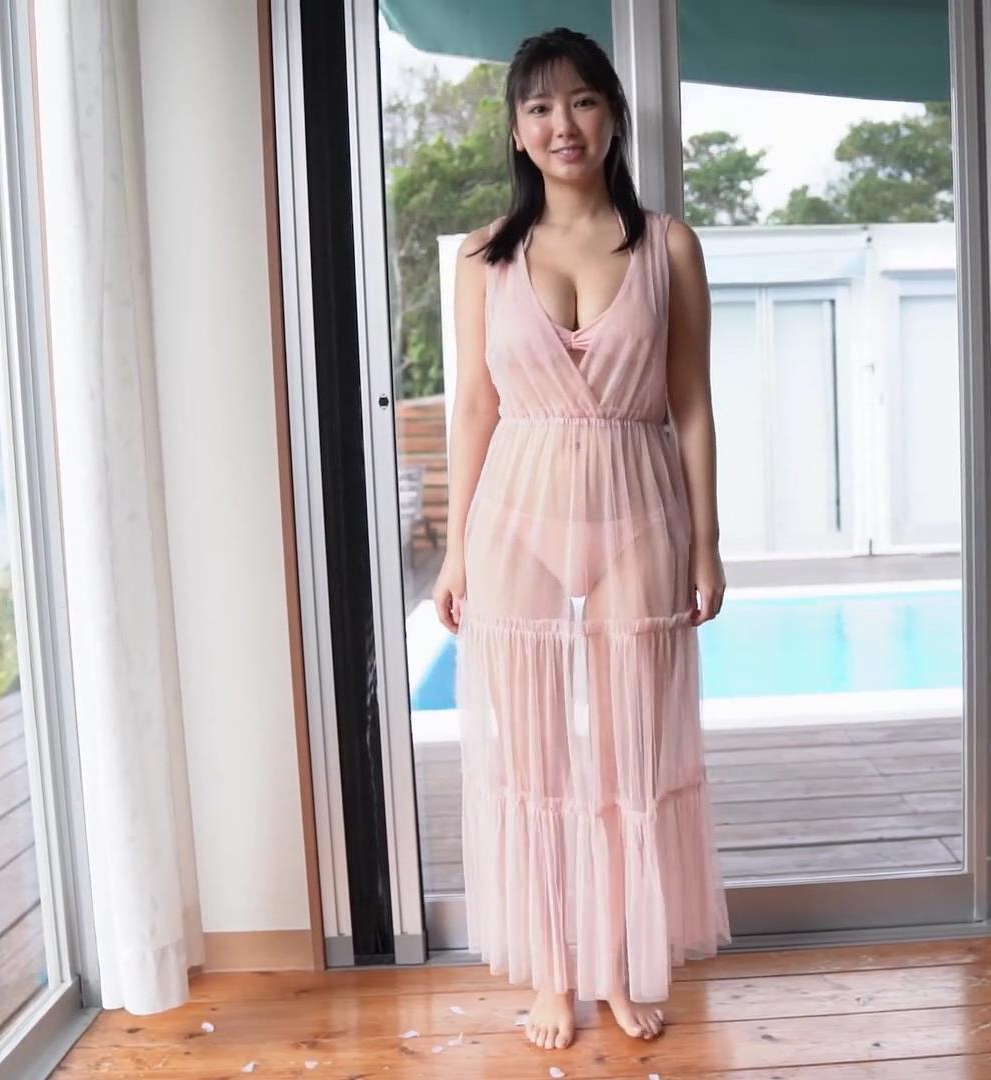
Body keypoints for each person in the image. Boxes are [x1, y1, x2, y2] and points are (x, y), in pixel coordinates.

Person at [430, 26, 732, 1053]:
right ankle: (553, 974)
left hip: (641, 509)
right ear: (518, 131)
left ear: (613, 115)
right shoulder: (484, 256)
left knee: (630, 759)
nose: (564, 124)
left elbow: (691, 404)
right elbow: (475, 407)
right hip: (514, 517)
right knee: (533, 761)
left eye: (583, 101)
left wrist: (707, 543)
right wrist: (456, 551)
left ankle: (614, 965)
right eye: (540, 107)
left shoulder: (667, 245)